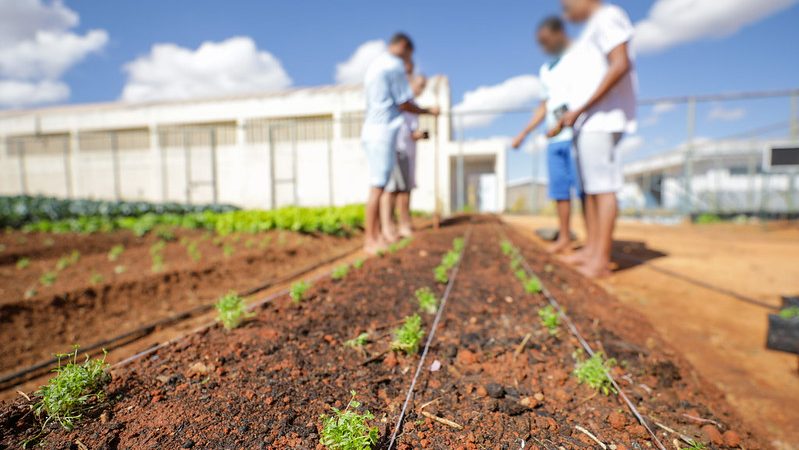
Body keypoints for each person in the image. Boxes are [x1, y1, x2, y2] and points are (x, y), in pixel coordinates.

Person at [555, 0, 637, 278]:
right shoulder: (593, 27)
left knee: (603, 188)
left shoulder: (608, 16)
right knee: (590, 189)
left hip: (601, 119)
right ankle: (591, 250)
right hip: (587, 122)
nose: (566, 11)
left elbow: (620, 63)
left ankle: (600, 260)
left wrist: (583, 107)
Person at [361, 33, 439, 254]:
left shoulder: (376, 64)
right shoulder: (393, 65)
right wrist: (429, 111)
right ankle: (371, 239)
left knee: (381, 186)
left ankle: (376, 236)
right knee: (379, 188)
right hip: (382, 132)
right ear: (404, 47)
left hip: (372, 130)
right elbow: (404, 104)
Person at [511, 16, 581, 254]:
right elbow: (544, 106)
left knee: (586, 189)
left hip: (577, 133)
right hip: (554, 139)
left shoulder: (578, 59)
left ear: (560, 33)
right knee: (560, 191)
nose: (544, 47)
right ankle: (564, 237)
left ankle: (594, 243)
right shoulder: (546, 70)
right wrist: (523, 134)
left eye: (546, 41)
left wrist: (565, 122)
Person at [381, 60, 429, 241]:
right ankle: (390, 226)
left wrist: (419, 135)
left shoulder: (412, 104)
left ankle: (404, 225)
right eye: (420, 85)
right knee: (393, 190)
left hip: (407, 151)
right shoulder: (403, 101)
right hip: (397, 148)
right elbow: (402, 128)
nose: (421, 89)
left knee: (405, 189)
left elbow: (411, 131)